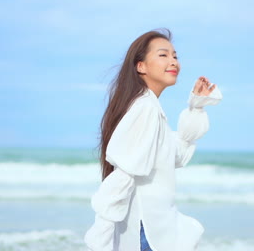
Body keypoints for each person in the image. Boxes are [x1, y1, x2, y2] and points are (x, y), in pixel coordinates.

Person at [84, 28, 222, 251]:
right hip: (147, 232)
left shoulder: (151, 108)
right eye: (163, 55)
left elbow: (175, 154)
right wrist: (102, 237)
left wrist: (196, 107)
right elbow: (125, 172)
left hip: (156, 229)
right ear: (141, 66)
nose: (173, 61)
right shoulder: (145, 108)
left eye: (175, 56)